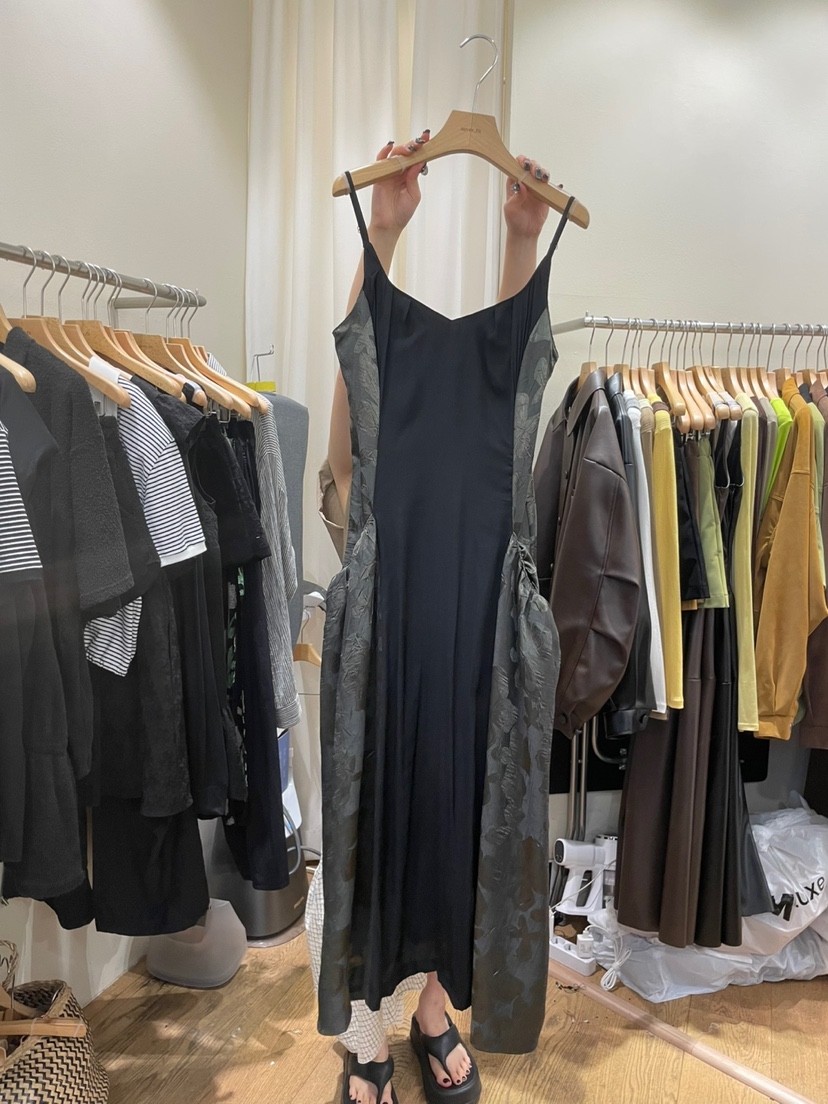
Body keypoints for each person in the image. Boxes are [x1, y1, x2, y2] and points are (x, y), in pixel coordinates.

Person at [315, 133, 558, 1104]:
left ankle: (430, 1012)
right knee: (370, 832)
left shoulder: (506, 384)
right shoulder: (368, 414)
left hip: (477, 641)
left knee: (462, 831)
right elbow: (352, 409)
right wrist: (383, 230)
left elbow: (509, 371)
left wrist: (521, 239)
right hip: (389, 637)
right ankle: (364, 1036)